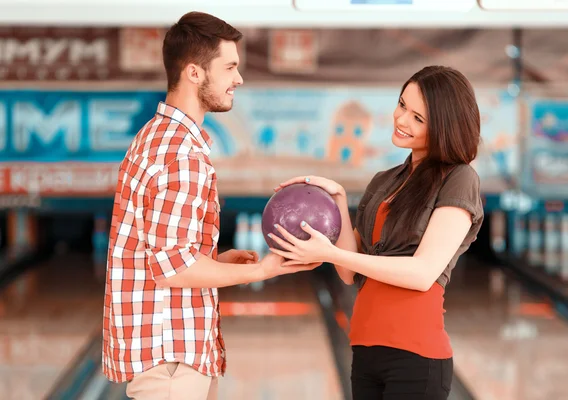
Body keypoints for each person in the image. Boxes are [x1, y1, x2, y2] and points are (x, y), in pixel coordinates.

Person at [102, 11, 320, 400]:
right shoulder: (181, 155)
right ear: (194, 73)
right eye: (230, 67)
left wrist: (217, 261)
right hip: (171, 356)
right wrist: (265, 270)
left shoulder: (154, 136)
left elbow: (164, 253)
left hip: (172, 350)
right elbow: (174, 268)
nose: (239, 78)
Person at [268, 65, 484, 400]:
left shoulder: (459, 178)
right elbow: (348, 272)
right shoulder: (384, 181)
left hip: (416, 356)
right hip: (366, 350)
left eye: (418, 118)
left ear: (444, 128)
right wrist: (338, 199)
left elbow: (423, 273)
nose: (401, 120)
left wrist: (330, 252)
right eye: (402, 105)